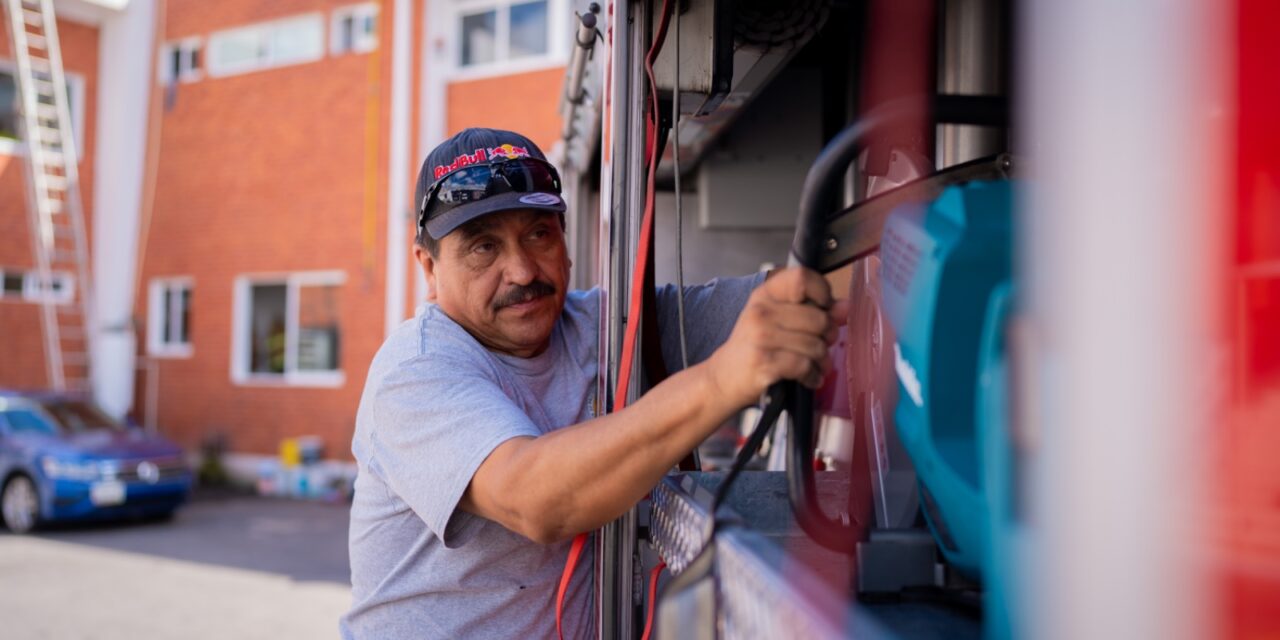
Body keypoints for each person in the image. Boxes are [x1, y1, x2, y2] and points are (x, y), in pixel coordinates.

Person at [341, 128, 843, 638]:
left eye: (539, 233)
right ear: (429, 267)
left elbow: (800, 295)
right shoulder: (415, 370)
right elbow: (534, 498)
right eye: (483, 247)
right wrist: (722, 380)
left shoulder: (607, 328)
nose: (520, 270)